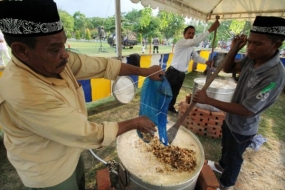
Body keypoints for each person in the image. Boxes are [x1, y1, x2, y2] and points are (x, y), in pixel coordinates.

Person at [0, 0, 164, 189]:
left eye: (64, 45)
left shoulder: (54, 61)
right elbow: (85, 133)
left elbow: (103, 66)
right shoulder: (24, 94)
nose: (65, 55)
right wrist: (135, 122)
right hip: (49, 173)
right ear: (22, 51)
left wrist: (144, 71)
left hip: (70, 151)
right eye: (55, 49)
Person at [193, 16, 285, 190]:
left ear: (276, 45)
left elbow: (248, 110)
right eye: (249, 42)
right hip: (231, 120)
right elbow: (228, 69)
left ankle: (227, 184)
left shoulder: (274, 76)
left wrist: (208, 100)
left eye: (258, 44)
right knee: (227, 147)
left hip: (244, 127)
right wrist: (234, 48)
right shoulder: (252, 58)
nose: (250, 48)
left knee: (235, 158)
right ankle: (220, 165)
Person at [165, 22, 220, 113]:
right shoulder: (181, 42)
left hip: (181, 74)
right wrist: (210, 30)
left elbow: (196, 57)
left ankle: (170, 107)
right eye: (189, 33)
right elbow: (196, 41)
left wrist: (206, 61)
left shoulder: (190, 48)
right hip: (172, 72)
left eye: (193, 34)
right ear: (184, 34)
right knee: (166, 92)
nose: (191, 35)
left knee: (175, 92)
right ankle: (161, 108)